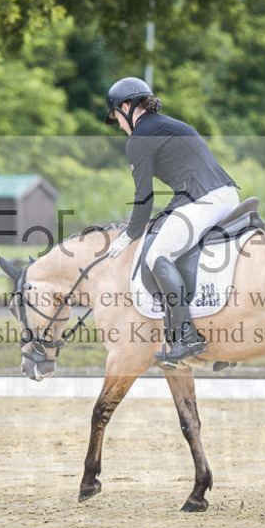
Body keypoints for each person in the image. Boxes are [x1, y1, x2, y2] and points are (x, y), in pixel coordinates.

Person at [103, 76, 240, 367]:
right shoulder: (170, 125)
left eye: (116, 117)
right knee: (191, 255)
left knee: (158, 255)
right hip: (226, 196)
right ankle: (222, 335)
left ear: (126, 107)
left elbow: (143, 196)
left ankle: (187, 336)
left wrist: (130, 234)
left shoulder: (140, 138)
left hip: (205, 200)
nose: (119, 125)